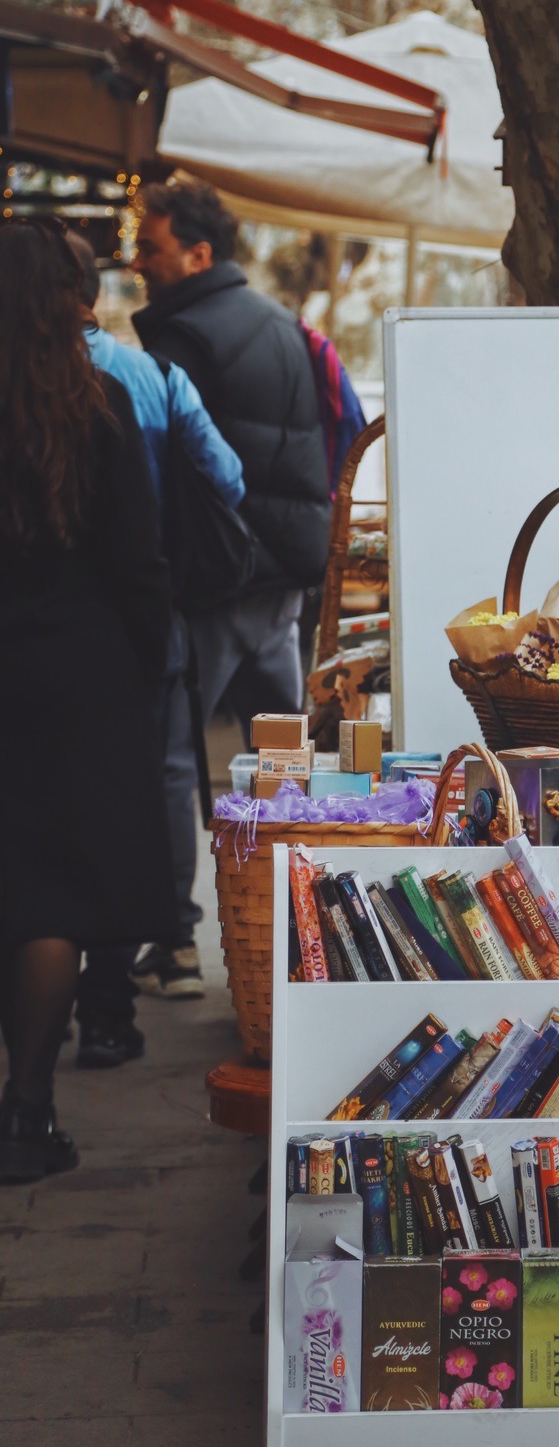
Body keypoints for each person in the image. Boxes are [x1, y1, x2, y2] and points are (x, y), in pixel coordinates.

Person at [0, 219, 175, 1182]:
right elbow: (139, 561)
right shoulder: (97, 404)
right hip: (77, 675)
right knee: (53, 897)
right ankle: (27, 1111)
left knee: (10, 886)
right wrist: (145, 669)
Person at [130, 181, 330, 993]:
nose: (138, 262)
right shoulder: (283, 325)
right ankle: (306, 933)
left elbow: (177, 471)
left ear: (196, 255)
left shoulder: (182, 339)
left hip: (213, 579)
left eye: (150, 247)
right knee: (283, 757)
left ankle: (176, 943)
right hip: (281, 580)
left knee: (176, 759)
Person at [65, 230, 245, 1063]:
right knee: (158, 776)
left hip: (37, 626)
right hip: (146, 608)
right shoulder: (151, 374)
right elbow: (228, 477)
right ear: (91, 292)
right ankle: (167, 945)